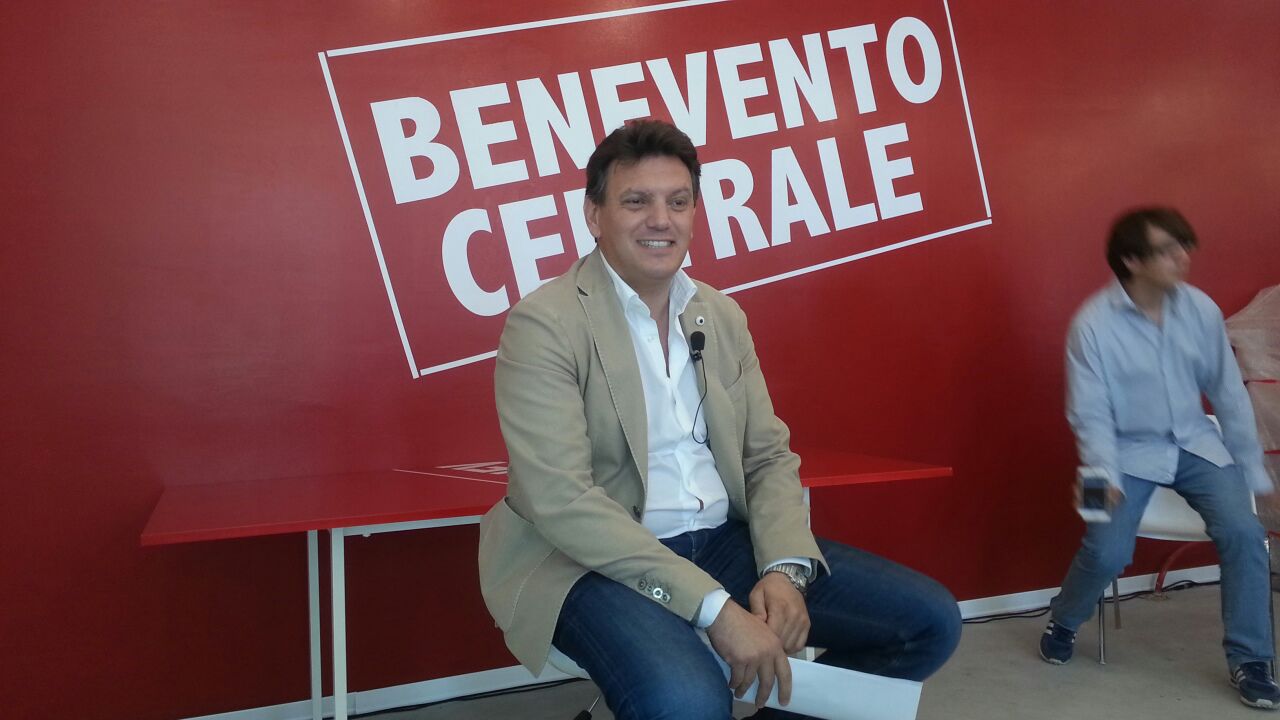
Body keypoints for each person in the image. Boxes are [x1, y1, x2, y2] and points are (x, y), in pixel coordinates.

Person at [477, 118, 960, 719]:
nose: (661, 220)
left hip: (717, 539)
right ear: (594, 215)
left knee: (928, 623)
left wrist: (783, 569)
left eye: (678, 202)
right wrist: (716, 609)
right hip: (589, 561)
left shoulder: (720, 315)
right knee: (687, 700)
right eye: (636, 202)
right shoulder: (544, 324)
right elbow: (563, 501)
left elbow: (768, 457)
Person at [1039, 207, 1278, 709]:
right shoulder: (1092, 325)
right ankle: (1063, 619)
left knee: (1244, 533)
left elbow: (1228, 393)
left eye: (1184, 246)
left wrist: (1252, 468)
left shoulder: (1201, 310)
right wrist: (1102, 475)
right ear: (1132, 260)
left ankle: (1252, 661)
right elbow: (1089, 414)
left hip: (1197, 443)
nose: (1183, 257)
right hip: (1121, 453)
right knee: (1106, 551)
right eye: (1168, 250)